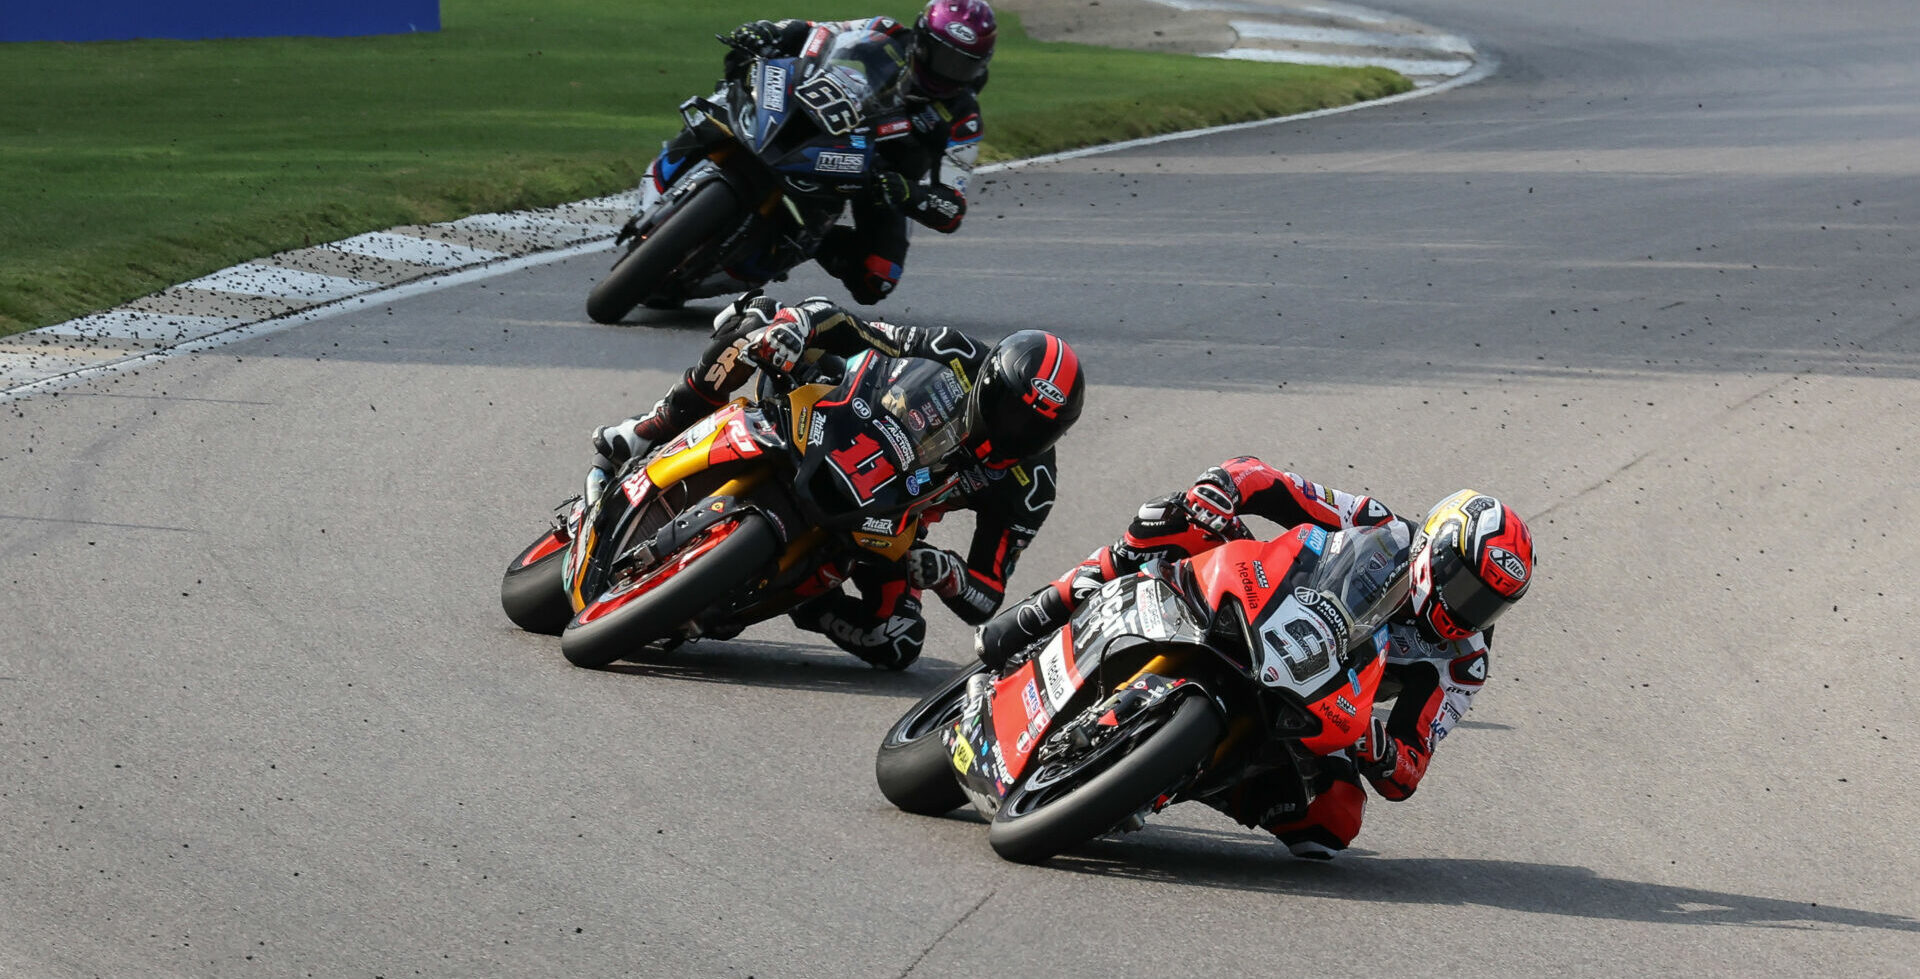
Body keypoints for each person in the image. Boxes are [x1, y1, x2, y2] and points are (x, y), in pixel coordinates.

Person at [974, 457, 1536, 858]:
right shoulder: (1378, 525)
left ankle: (1187, 774)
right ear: (1434, 549)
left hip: (1319, 705)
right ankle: (1046, 608)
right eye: (1466, 588)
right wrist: (1223, 489)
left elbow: (1410, 767)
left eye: (1490, 606)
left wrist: (1375, 742)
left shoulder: (1464, 663)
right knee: (1174, 520)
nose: (1470, 613)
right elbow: (1275, 484)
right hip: (1261, 609)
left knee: (1336, 818)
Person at [585, 293, 1085, 670]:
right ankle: (650, 426)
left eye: (1033, 431)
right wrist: (797, 327)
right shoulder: (953, 352)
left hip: (886, 515)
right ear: (990, 382)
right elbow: (854, 326)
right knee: (759, 321)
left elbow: (986, 593)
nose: (1013, 432)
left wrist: (943, 571)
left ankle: (810, 600)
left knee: (898, 641)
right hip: (839, 415)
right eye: (1008, 413)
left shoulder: (1031, 484)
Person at [638, 0, 995, 305]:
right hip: (831, 120)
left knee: (877, 279)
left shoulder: (964, 118)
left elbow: (951, 207)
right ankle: (681, 158)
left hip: (877, 180)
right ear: (922, 40)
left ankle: (810, 242)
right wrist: (770, 32)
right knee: (740, 72)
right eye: (943, 56)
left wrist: (905, 192)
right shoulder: (885, 32)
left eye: (961, 64)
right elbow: (819, 34)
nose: (947, 71)